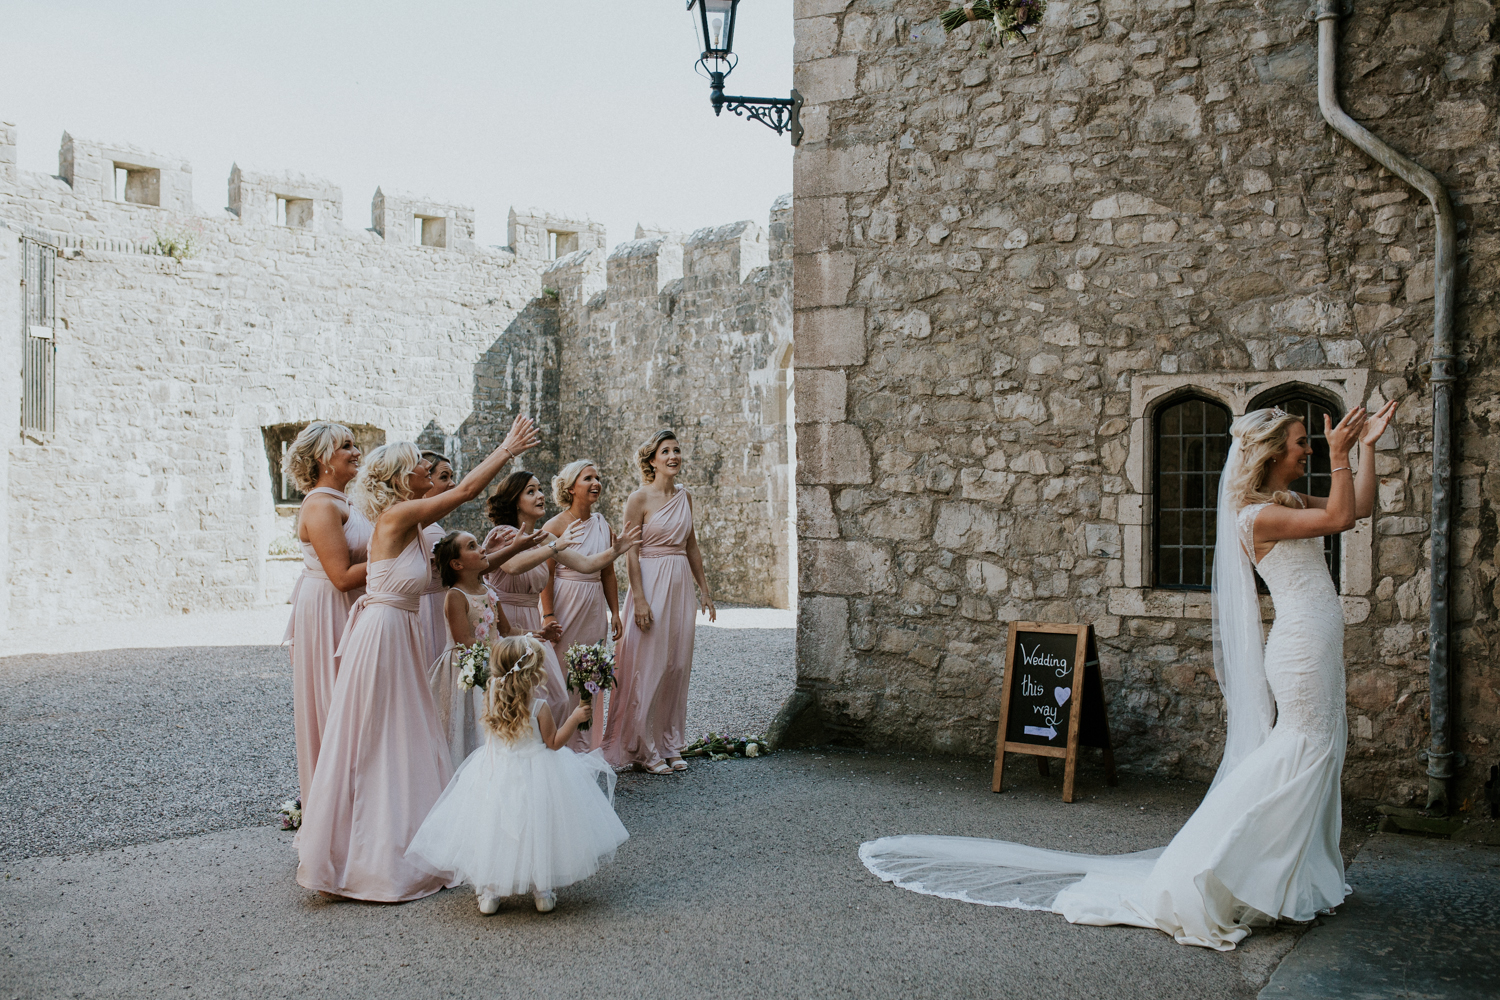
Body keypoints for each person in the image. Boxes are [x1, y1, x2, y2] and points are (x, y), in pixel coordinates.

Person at [859, 401, 1399, 951]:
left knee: (1319, 748)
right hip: (1300, 648)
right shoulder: (1254, 516)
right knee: (1301, 749)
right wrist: (1339, 456)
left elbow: (1359, 505)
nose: (1308, 449)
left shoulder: (1282, 500)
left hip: (1318, 644)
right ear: (1272, 451)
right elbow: (1340, 519)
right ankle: (1224, 870)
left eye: (1310, 443)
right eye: (1301, 442)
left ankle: (1278, 880)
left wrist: (1368, 449)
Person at [296, 414, 540, 903]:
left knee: (403, 738)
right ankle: (362, 856)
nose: (429, 475)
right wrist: (507, 450)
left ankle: (406, 840)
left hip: (398, 634)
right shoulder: (397, 519)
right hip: (381, 636)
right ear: (402, 481)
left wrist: (529, 545)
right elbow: (469, 489)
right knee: (375, 739)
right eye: (421, 471)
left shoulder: (414, 526)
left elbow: (454, 574)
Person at [406, 636, 629, 915]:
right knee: (538, 828)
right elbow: (554, 742)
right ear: (532, 674)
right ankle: (543, 891)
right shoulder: (539, 707)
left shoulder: (491, 699)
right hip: (537, 774)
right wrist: (574, 718)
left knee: (494, 827)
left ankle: (489, 892)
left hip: (496, 771)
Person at [483, 471, 640, 734]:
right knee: (514, 700)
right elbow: (511, 566)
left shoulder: (544, 539)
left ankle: (544, 752)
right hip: (505, 622)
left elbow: (586, 564)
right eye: (531, 491)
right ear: (514, 500)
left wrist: (616, 550)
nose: (541, 495)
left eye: (540, 489)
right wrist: (554, 548)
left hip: (531, 624)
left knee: (554, 697)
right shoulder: (503, 534)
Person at [602, 430, 715, 775]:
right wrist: (638, 599)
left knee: (676, 666)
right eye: (666, 451)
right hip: (650, 581)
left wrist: (704, 590)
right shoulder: (639, 499)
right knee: (648, 665)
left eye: (677, 450)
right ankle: (642, 747)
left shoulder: (686, 497)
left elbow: (692, 545)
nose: (673, 456)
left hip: (680, 582)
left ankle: (670, 743)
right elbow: (631, 552)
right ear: (652, 460)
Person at [281, 421, 371, 812]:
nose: (356, 452)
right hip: (330, 610)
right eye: (346, 446)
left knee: (361, 704)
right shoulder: (320, 504)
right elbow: (340, 576)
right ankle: (334, 814)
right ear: (323, 458)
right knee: (337, 703)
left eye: (355, 444)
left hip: (354, 606)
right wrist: (396, 560)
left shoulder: (346, 501)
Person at [541, 460, 623, 750]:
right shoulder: (555, 525)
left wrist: (615, 612)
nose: (595, 482)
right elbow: (546, 574)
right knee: (561, 675)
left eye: (598, 477)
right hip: (566, 603)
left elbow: (608, 572)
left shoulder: (603, 525)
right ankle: (556, 742)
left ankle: (584, 744)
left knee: (589, 674)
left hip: (593, 609)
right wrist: (548, 615)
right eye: (588, 478)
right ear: (570, 487)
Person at [415, 451, 458, 670]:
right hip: (430, 609)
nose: (451, 484)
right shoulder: (430, 530)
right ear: (425, 478)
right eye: (444, 477)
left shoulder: (430, 525)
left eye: (451, 477)